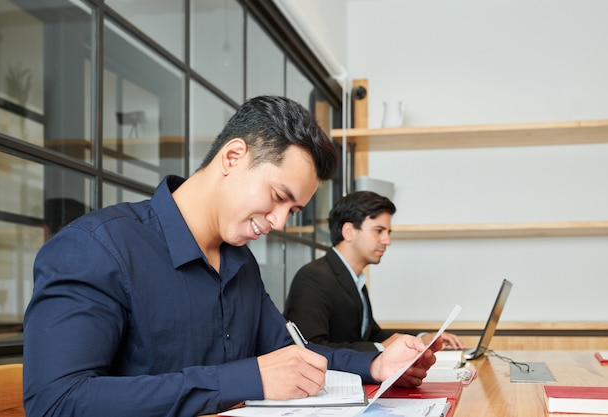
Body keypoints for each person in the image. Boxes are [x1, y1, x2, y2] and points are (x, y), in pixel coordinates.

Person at [23, 96, 442, 417]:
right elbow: (56, 401)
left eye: (292, 211)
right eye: (279, 197)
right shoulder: (97, 247)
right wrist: (248, 378)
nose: (279, 222)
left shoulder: (241, 263)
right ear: (233, 156)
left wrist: (377, 365)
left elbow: (294, 353)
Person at [284, 190, 465, 352]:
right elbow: (308, 347)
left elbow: (371, 335)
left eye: (388, 232)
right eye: (379, 231)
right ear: (348, 232)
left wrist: (421, 337)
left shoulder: (356, 279)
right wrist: (380, 348)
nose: (387, 240)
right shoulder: (314, 277)